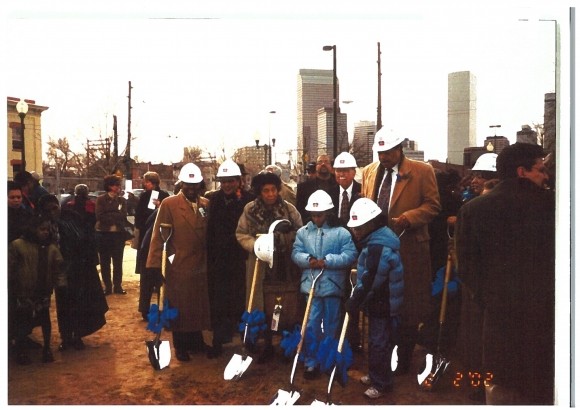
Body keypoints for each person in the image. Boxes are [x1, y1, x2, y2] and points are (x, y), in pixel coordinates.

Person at [455, 142, 554, 405]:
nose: (546, 176)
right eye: (541, 169)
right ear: (522, 172)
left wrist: (487, 300)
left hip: (498, 321)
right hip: (545, 321)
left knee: (501, 387)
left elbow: (466, 268)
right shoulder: (554, 208)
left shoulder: (473, 211)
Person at [360, 128, 440, 374]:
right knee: (380, 303)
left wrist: (410, 217)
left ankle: (403, 358)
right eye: (380, 152)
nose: (383, 157)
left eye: (387, 153)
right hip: (377, 248)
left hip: (409, 250)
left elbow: (433, 205)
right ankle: (381, 356)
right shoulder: (369, 172)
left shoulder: (422, 171)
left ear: (399, 150)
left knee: (407, 306)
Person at [146, 163, 211, 362]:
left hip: (201, 264)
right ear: (181, 184)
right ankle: (181, 345)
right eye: (187, 185)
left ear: (200, 184)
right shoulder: (169, 204)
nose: (191, 188)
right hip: (178, 263)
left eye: (195, 184)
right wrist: (155, 265)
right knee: (180, 307)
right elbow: (158, 236)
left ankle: (197, 341)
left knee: (198, 306)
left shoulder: (206, 205)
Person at [236, 172, 302, 362]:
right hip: (260, 264)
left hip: (284, 264)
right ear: (259, 192)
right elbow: (241, 233)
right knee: (262, 303)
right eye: (266, 191)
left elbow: (300, 229)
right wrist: (257, 246)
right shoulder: (250, 210)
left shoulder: (289, 209)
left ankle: (287, 344)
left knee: (285, 303)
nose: (271, 194)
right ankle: (265, 344)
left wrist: (283, 239)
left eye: (273, 190)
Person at [291, 190, 357, 379]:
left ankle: (329, 360)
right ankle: (311, 362)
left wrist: (327, 261)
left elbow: (350, 254)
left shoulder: (341, 233)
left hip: (332, 287)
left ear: (328, 213)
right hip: (310, 286)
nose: (316, 218)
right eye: (313, 215)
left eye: (319, 214)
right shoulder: (303, 232)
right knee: (311, 324)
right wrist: (308, 259)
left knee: (331, 325)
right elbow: (295, 253)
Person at [343, 198, 404, 399]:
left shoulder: (379, 247)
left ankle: (382, 383)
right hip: (378, 302)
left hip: (383, 304)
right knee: (375, 340)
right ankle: (375, 373)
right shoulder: (376, 240)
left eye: (359, 228)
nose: (355, 232)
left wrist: (355, 300)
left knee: (379, 343)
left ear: (371, 224)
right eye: (354, 228)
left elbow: (371, 281)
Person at [37, 194, 108, 351]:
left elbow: (85, 240)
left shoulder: (71, 219)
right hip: (58, 271)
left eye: (54, 208)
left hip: (77, 269)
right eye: (48, 210)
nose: (52, 212)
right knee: (63, 305)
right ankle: (66, 336)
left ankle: (76, 335)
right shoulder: (42, 225)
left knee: (78, 303)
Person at [205, 160, 254, 359]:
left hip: (240, 258)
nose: (227, 185)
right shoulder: (212, 200)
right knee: (219, 301)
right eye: (223, 181)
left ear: (238, 181)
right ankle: (219, 340)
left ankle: (246, 338)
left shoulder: (248, 201)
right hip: (218, 260)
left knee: (242, 300)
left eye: (231, 181)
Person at [8, 214, 67, 364]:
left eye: (47, 230)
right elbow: (10, 267)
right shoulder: (18, 245)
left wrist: (60, 284)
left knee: (44, 319)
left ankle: (46, 348)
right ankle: (21, 351)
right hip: (23, 291)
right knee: (22, 321)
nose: (45, 232)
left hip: (42, 290)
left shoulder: (51, 248)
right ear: (33, 229)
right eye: (42, 229)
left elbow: (58, 268)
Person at [329, 152, 363, 352]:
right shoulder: (328, 193)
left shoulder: (363, 191)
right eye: (338, 170)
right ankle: (335, 338)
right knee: (335, 295)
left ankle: (353, 339)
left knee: (353, 295)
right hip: (335, 251)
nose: (341, 174)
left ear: (353, 172)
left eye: (346, 171)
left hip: (358, 251)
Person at [134, 172, 170, 320]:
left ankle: (152, 309)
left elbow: (143, 218)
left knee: (153, 278)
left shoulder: (158, 195)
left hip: (153, 240)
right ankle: (152, 309)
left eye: (147, 181)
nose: (144, 184)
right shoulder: (148, 196)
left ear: (153, 182)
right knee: (155, 277)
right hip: (153, 239)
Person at [95, 174, 128, 295]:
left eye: (119, 185)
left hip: (118, 235)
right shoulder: (101, 199)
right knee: (105, 262)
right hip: (104, 234)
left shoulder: (122, 200)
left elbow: (123, 216)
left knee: (118, 262)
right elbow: (100, 216)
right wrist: (115, 215)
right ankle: (107, 286)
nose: (118, 187)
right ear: (109, 186)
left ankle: (117, 285)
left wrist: (111, 214)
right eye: (116, 185)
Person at [296, 154, 338, 224]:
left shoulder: (339, 186)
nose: (323, 164)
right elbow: (300, 211)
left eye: (326, 162)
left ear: (331, 167)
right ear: (316, 167)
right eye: (320, 162)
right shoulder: (303, 187)